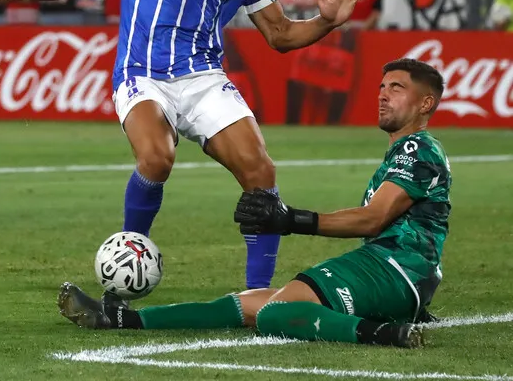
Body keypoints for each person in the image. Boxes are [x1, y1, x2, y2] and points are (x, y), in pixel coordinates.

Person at [0, 0, 364, 297]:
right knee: (157, 157)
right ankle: (125, 265)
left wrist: (325, 21)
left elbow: (280, 35)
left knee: (261, 173)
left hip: (203, 78)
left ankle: (258, 296)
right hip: (142, 73)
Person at [58, 58, 449, 349]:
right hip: (397, 274)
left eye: (396, 88)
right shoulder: (406, 151)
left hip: (395, 268)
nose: (383, 94)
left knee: (274, 314)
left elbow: (372, 219)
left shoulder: (416, 147)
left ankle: (382, 333)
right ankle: (125, 319)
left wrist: (290, 219)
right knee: (251, 303)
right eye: (381, 86)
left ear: (425, 103)